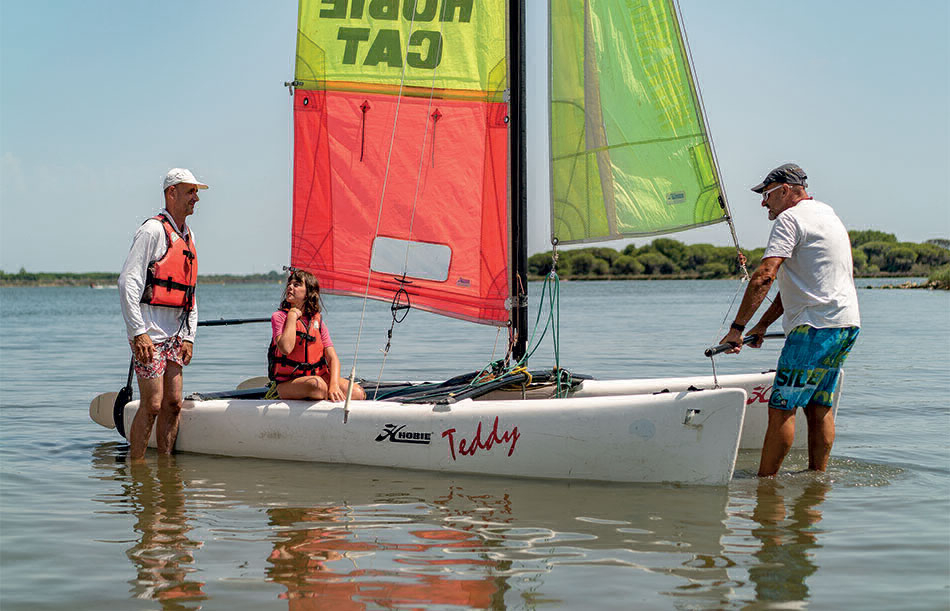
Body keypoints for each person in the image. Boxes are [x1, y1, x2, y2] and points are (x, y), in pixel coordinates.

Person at [720, 163, 860, 477]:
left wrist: (737, 329)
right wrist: (763, 325)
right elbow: (799, 285)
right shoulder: (828, 215)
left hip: (813, 330)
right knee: (818, 405)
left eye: (767, 194)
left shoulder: (789, 218)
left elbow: (765, 276)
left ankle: (765, 487)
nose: (763, 202)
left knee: (782, 406)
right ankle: (816, 481)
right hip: (845, 326)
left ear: (785, 190)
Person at [119, 168, 207, 460]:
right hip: (149, 333)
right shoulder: (152, 231)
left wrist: (190, 336)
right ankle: (138, 467)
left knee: (173, 403)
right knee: (153, 404)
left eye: (196, 192)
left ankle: (167, 470)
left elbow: (190, 293)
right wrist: (138, 331)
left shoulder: (188, 235)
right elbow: (128, 282)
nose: (196, 198)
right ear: (172, 193)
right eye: (190, 191)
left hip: (176, 335)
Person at [268, 270, 366, 401]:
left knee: (357, 393)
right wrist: (292, 316)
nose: (290, 287)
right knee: (317, 386)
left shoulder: (317, 322)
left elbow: (332, 359)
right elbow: (286, 348)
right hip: (289, 383)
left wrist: (334, 385)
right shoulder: (279, 317)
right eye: (289, 284)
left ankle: (328, 399)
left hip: (319, 377)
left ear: (308, 293)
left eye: (296, 284)